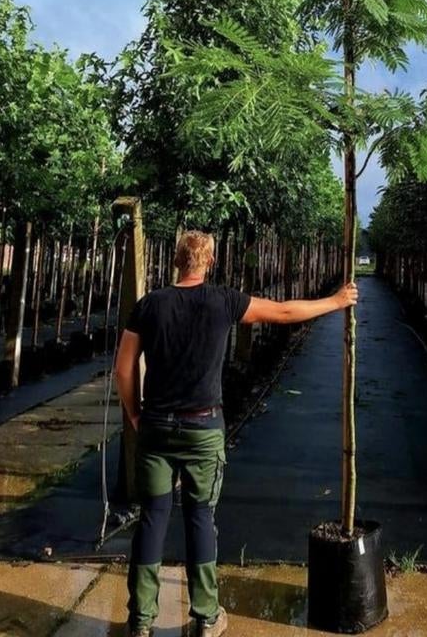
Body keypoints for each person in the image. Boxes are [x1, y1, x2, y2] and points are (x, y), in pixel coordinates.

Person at [115, 229, 358, 637]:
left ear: (176, 260)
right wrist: (334, 302)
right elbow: (282, 312)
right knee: (200, 518)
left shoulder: (148, 306)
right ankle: (206, 616)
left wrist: (137, 415)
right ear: (210, 261)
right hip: (203, 430)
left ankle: (140, 620)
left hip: (157, 428)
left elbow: (124, 369)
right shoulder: (224, 301)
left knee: (152, 519)